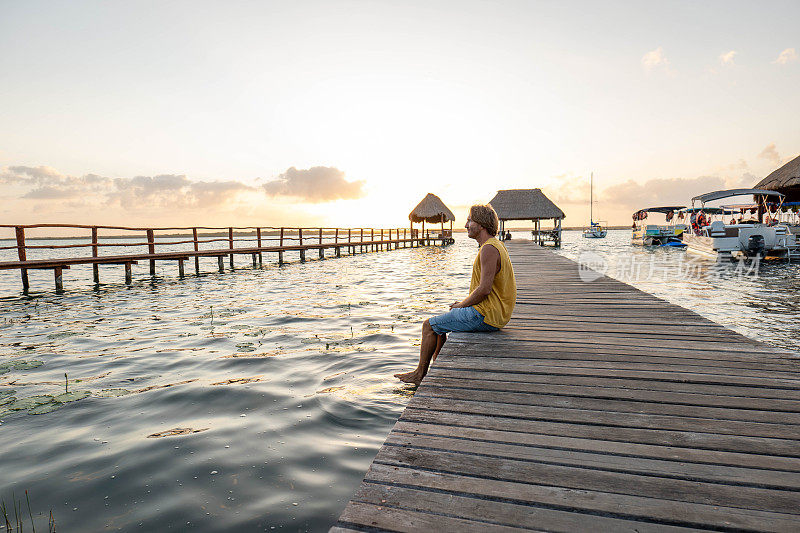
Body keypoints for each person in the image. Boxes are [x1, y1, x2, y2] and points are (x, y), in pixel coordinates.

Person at [394, 204, 517, 386]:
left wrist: (462, 305)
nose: (466, 225)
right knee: (440, 325)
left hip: (486, 316)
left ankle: (420, 374)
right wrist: (463, 303)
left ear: (481, 224)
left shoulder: (488, 249)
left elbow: (484, 289)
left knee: (429, 326)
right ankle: (438, 368)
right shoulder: (495, 245)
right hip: (495, 314)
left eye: (469, 220)